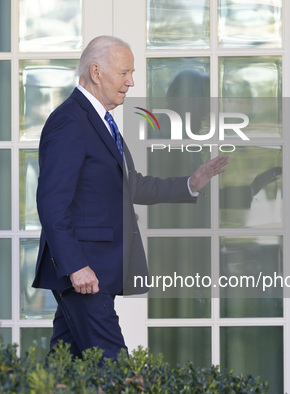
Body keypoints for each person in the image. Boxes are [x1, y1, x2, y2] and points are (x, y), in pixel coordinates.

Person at [33, 36, 229, 360]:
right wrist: (76, 266)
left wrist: (191, 183)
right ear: (96, 72)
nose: (131, 81)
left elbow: (131, 185)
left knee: (65, 368)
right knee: (114, 366)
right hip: (85, 273)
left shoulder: (99, 121)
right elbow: (52, 203)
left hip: (95, 272)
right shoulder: (70, 122)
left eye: (132, 72)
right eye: (125, 72)